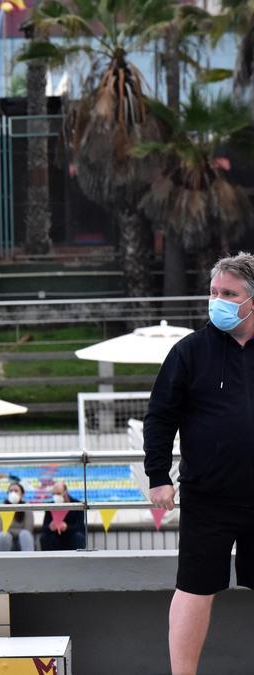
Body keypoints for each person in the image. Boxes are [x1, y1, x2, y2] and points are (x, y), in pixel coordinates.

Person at [144, 252, 254, 675]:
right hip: (207, 498)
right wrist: (159, 477)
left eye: (230, 294)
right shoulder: (189, 352)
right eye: (214, 293)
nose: (219, 301)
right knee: (193, 590)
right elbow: (160, 416)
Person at [39, 481, 86, 551]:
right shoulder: (50, 506)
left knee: (78, 537)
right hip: (55, 538)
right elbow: (44, 527)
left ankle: (79, 560)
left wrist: (67, 527)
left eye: (58, 494)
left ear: (66, 492)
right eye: (54, 494)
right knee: (44, 537)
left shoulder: (77, 505)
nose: (56, 497)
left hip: (71, 537)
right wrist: (50, 527)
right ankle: (48, 560)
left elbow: (80, 527)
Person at [0, 482, 35, 552]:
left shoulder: (27, 508)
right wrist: (11, 532)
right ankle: (3, 560)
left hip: (22, 541)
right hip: (7, 541)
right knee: (3, 535)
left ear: (22, 494)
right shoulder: (2, 508)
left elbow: (28, 529)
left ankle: (29, 560)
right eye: (11, 491)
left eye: (16, 491)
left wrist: (11, 531)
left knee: (25, 534)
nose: (13, 493)